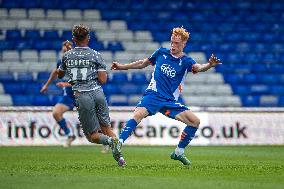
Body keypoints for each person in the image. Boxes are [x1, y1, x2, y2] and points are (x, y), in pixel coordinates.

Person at [111, 27, 221, 165]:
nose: (173, 46)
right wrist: (121, 67)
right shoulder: (161, 53)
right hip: (153, 95)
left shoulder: (187, 61)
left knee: (195, 122)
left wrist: (209, 65)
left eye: (177, 43)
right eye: (172, 42)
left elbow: (198, 68)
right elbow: (142, 64)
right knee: (138, 114)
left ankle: (178, 152)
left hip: (169, 101)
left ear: (184, 44)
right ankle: (119, 143)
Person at [57, 24, 126, 166]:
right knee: (107, 129)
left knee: (92, 136)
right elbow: (103, 80)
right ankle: (120, 159)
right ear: (88, 38)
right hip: (98, 94)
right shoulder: (96, 55)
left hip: (82, 96)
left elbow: (60, 74)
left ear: (73, 39)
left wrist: (69, 61)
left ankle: (110, 141)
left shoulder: (67, 56)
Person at [40, 40, 76, 147]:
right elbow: (55, 72)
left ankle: (106, 139)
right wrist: (46, 85)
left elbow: (84, 81)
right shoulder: (61, 62)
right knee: (56, 113)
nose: (66, 53)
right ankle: (70, 135)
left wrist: (66, 84)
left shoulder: (79, 63)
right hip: (69, 97)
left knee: (90, 121)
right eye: (64, 51)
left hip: (82, 95)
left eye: (68, 50)